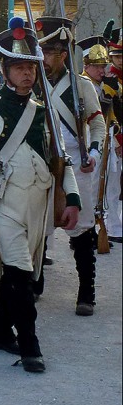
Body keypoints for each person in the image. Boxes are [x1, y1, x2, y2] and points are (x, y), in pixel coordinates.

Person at [0, 17, 80, 373]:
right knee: (23, 275)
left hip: (38, 205)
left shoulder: (43, 112)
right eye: (19, 68)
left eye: (31, 68)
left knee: (17, 274)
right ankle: (30, 345)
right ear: (4, 71)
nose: (27, 74)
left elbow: (61, 160)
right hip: (4, 202)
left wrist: (72, 198)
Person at [37, 16, 105, 315]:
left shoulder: (81, 85)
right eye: (40, 51)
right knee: (37, 227)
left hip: (76, 165)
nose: (42, 58)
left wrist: (94, 152)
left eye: (47, 52)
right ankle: (35, 282)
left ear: (62, 54)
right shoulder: (32, 82)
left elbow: (97, 123)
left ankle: (86, 291)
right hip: (40, 164)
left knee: (81, 230)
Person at [82, 22, 121, 243]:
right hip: (90, 140)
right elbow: (92, 117)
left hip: (110, 138)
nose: (102, 69)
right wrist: (105, 98)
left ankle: (112, 226)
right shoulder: (82, 85)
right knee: (92, 186)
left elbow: (117, 113)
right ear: (86, 65)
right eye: (96, 66)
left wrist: (113, 93)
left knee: (111, 186)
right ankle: (88, 229)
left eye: (103, 65)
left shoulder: (106, 82)